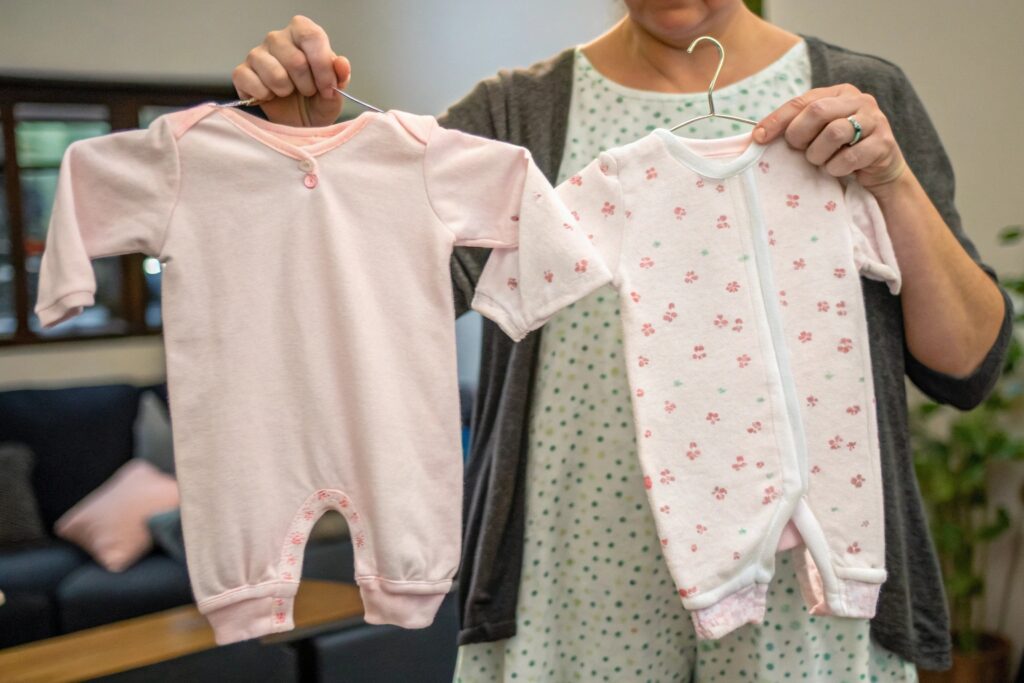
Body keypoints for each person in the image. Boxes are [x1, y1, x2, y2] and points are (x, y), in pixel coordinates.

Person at [232, 3, 1013, 680]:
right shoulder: (516, 116)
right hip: (568, 580)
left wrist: (893, 182)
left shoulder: (855, 103)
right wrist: (306, 157)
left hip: (804, 582)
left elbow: (969, 366)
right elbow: (365, 317)